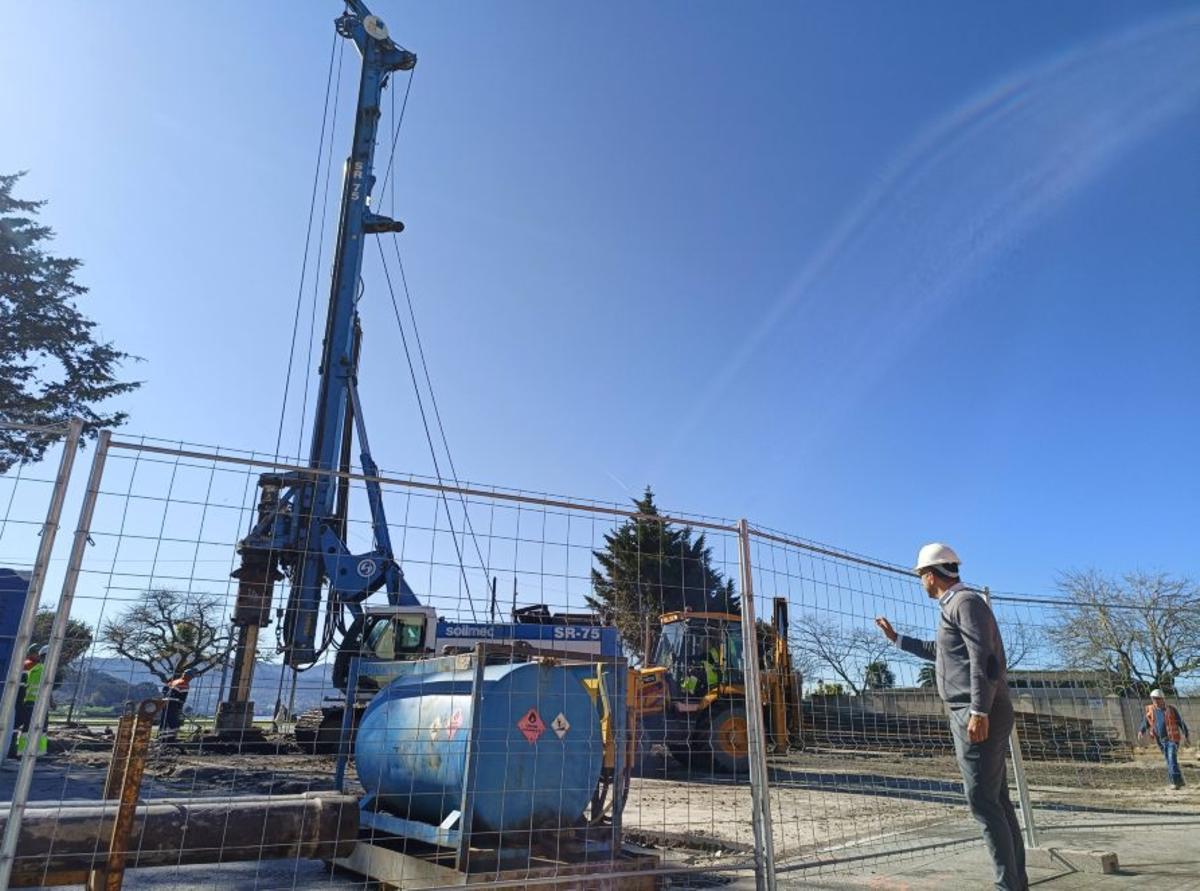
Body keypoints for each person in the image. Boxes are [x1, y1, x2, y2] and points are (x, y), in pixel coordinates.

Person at [875, 543, 1027, 891]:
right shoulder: (956, 606)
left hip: (976, 711)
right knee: (996, 801)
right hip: (974, 709)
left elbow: (984, 659)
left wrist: (978, 710)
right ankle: (1016, 884)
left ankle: (1009, 886)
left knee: (983, 802)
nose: (920, 583)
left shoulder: (965, 602)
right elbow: (941, 652)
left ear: (930, 576)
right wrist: (897, 639)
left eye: (920, 577)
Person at [1137, 689, 1190, 789]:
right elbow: (1146, 722)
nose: (1155, 701)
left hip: (1173, 739)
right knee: (1169, 761)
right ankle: (1179, 781)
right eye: (1153, 699)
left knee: (1171, 759)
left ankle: (1175, 783)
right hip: (1161, 741)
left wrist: (1186, 735)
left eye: (1158, 698)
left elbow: (1181, 723)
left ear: (1162, 699)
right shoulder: (1151, 710)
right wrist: (1141, 731)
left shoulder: (1171, 709)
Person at [7, 645, 43, 758]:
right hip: (25, 701)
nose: (38, 656)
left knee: (15, 725)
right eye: (36, 653)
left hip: (23, 701)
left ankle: (12, 749)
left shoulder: (25, 665)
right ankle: (14, 750)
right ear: (32, 653)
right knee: (20, 726)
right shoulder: (31, 666)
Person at [160, 668, 194, 739]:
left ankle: (162, 738)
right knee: (174, 724)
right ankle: (170, 740)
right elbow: (182, 699)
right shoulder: (184, 683)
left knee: (164, 722)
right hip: (173, 704)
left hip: (165, 702)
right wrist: (179, 709)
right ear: (189, 677)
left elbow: (164, 689)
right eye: (191, 677)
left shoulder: (174, 681)